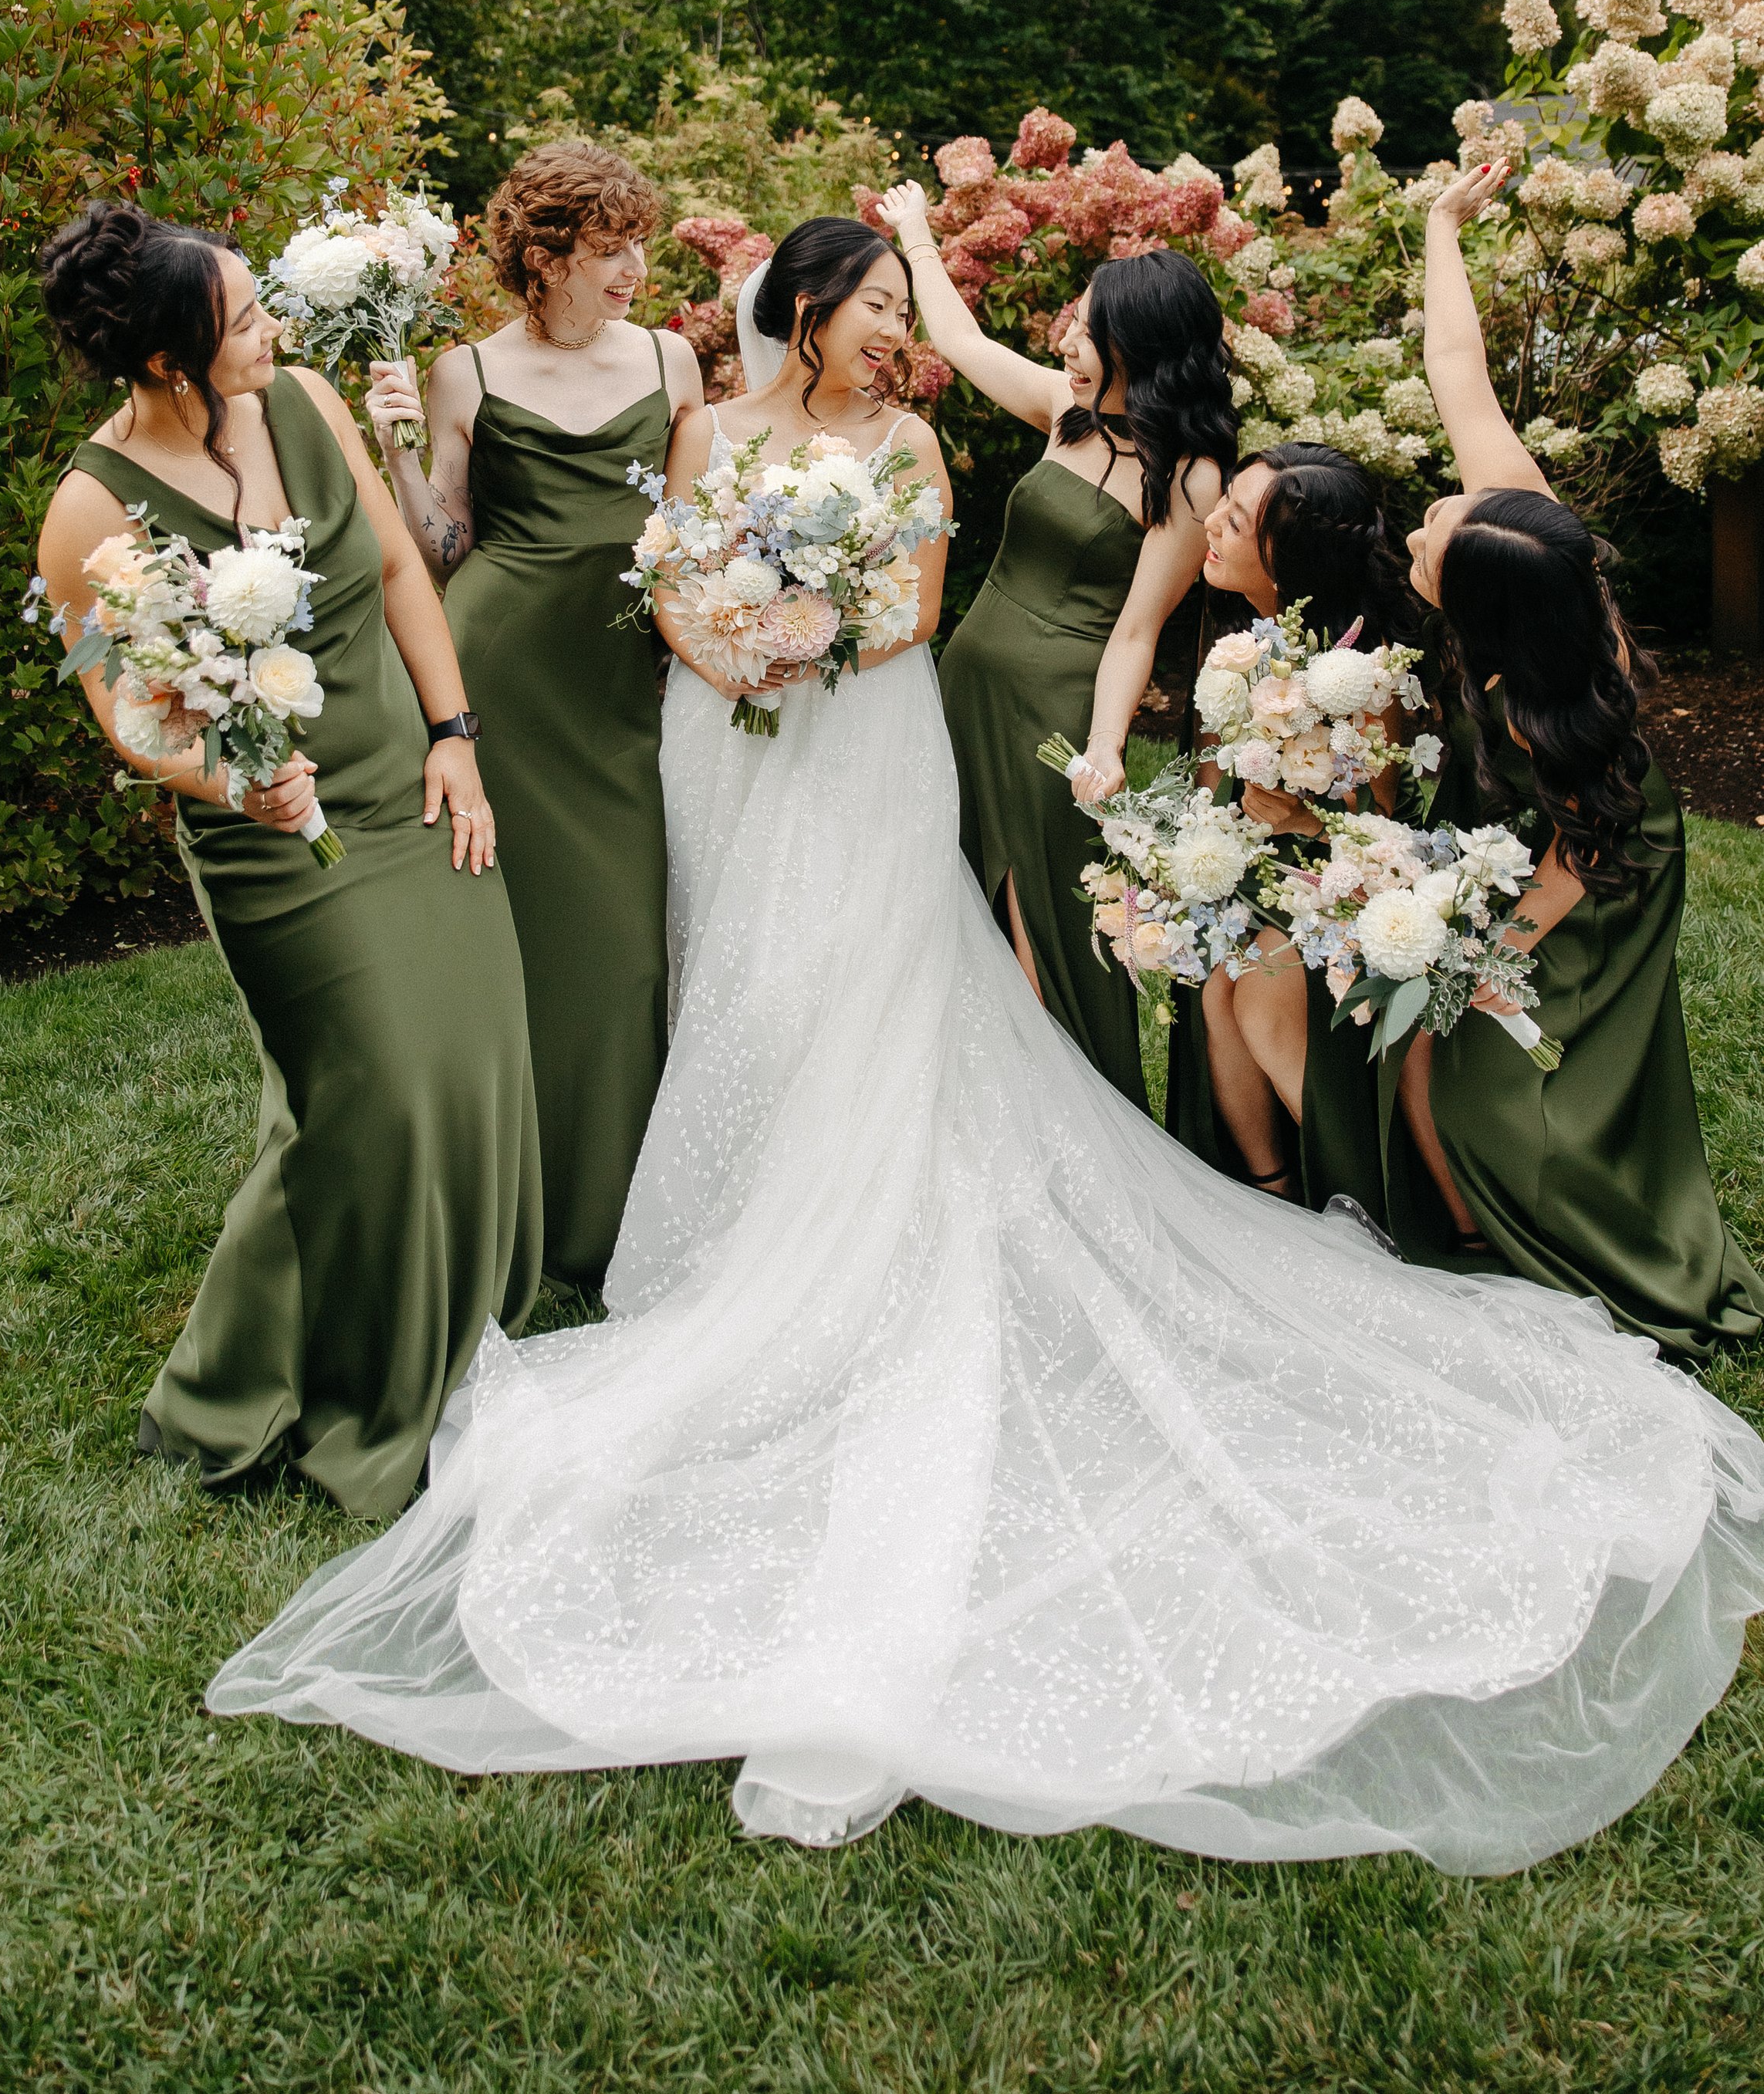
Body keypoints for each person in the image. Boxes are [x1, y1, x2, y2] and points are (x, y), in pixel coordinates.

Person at [206, 209, 1764, 1876]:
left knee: (893, 960)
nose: (896, 332)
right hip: (734, 733)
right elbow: (673, 561)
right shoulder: (750, 419)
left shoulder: (997, 456)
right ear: (800, 316)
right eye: (869, 305)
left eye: (901, 307)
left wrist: (837, 642)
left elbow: (938, 598)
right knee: (742, 960)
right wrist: (733, 626)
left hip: (882, 723)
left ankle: (1206, 1177)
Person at [37, 204, 540, 1517]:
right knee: (367, 1088)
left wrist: (455, 736)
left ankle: (459, 1321)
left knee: (469, 1050)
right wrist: (230, 781)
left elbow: (397, 574)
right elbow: (128, 712)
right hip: (274, 839)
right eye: (241, 322)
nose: (272, 333)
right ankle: (241, 1386)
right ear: (163, 364)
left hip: (408, 777)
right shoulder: (91, 504)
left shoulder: (307, 401)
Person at [1370, 157, 1764, 1355]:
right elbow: (1458, 373)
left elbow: (1566, 875)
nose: (1426, 521)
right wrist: (1441, 223)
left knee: (1479, 1078)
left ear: (1481, 601)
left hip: (1600, 850)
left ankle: (1538, 1202)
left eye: (1433, 531)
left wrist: (1461, 966)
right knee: (1418, 1050)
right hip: (1538, 835)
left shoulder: (1547, 710)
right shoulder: (1532, 535)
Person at [370, 144, 703, 1286]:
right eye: (610, 249)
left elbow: (695, 529)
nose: (635, 268)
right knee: (523, 947)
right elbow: (440, 545)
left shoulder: (671, 356)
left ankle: (618, 1209)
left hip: (622, 679)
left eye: (637, 244)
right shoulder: (465, 368)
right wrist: (395, 448)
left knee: (625, 950)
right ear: (545, 254)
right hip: (505, 668)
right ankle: (523, 1208)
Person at [874, 183, 1235, 1105]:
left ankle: (1068, 1119)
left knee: (1037, 914)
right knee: (947, 900)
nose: (1064, 347)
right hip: (964, 685)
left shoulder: (1188, 476)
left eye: (1086, 334)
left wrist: (1108, 744)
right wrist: (917, 234)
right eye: (1071, 330)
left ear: (1141, 349)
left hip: (1056, 708)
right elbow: (958, 341)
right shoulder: (1065, 416)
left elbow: (1136, 629)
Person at [1166, 443, 1424, 1219]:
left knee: (1259, 996)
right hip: (1260, 866)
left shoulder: (1363, 672)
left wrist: (1307, 816)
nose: (1211, 523)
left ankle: (1373, 1199)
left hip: (1347, 879)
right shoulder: (1248, 644)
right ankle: (1270, 1195)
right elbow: (1212, 786)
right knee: (1216, 989)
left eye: (1236, 520)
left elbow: (1383, 822)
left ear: (1287, 558)